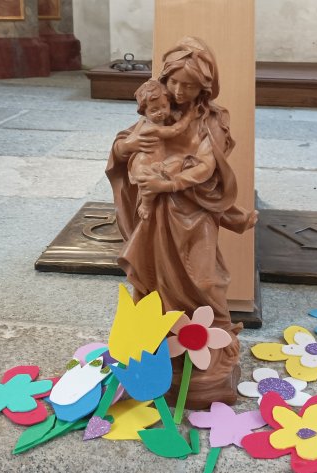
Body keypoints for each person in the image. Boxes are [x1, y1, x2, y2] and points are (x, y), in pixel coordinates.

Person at [106, 36, 257, 407]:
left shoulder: (213, 119)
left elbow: (207, 166)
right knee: (157, 281)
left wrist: (168, 181)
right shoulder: (157, 107)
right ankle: (164, 344)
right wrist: (128, 148)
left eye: (188, 86)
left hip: (194, 210)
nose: (178, 91)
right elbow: (124, 146)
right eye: (173, 81)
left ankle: (216, 339)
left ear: (204, 87)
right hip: (158, 215)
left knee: (204, 278)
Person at [128, 79, 203, 220]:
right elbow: (174, 130)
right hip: (145, 165)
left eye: (164, 106)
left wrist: (174, 113)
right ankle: (146, 204)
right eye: (154, 110)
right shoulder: (150, 128)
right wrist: (189, 116)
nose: (160, 113)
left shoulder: (157, 120)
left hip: (157, 161)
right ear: (144, 112)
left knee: (178, 160)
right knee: (149, 187)